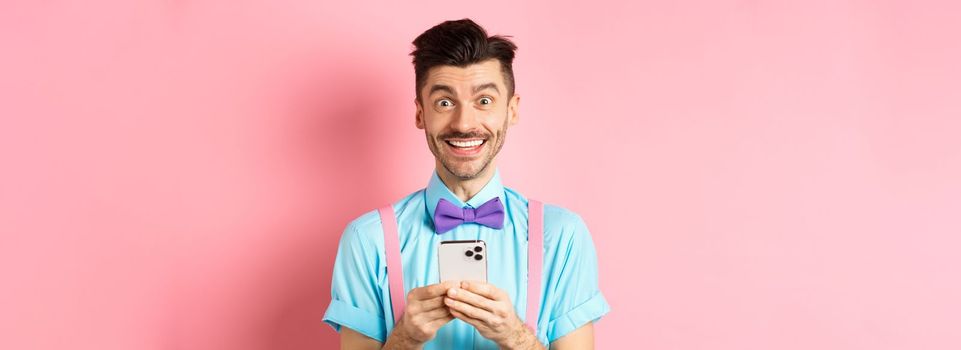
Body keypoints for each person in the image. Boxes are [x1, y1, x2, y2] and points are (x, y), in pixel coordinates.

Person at [322, 18, 609, 349]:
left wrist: (514, 336)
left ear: (511, 110)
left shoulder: (562, 236)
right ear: (420, 114)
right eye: (445, 102)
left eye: (484, 101)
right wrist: (405, 339)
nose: (464, 123)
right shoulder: (366, 239)